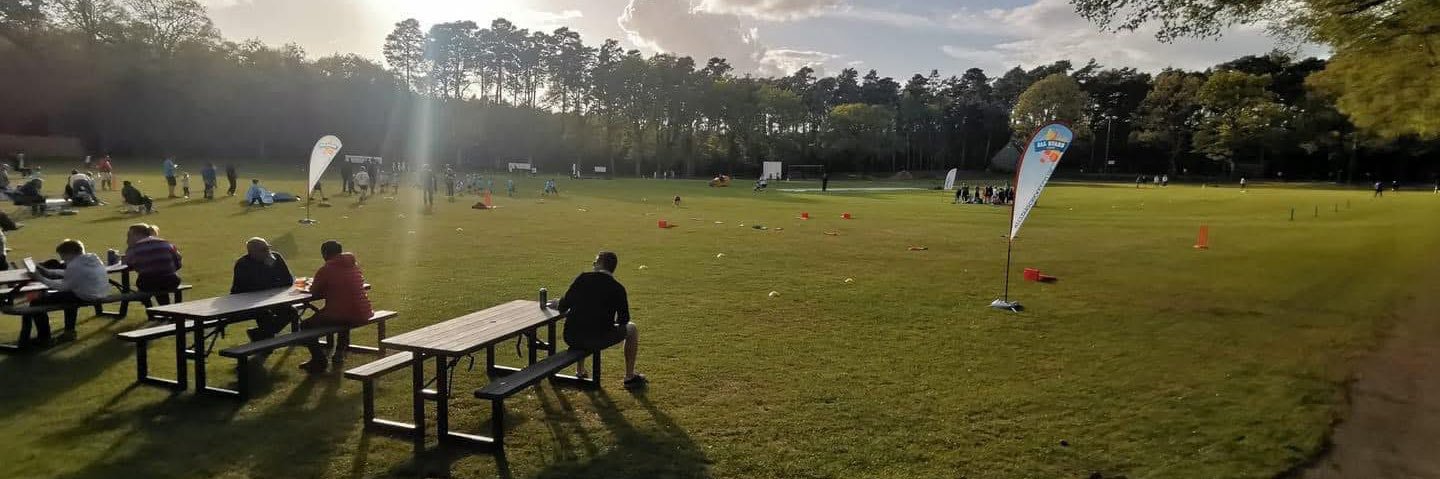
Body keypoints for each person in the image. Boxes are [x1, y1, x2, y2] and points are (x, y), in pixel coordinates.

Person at [554, 251, 646, 388]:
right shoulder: (618, 288)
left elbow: (563, 306)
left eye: (595, 261)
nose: (593, 264)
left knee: (582, 319)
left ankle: (580, 370)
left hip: (572, 336)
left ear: (600, 264)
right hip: (599, 338)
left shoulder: (582, 278)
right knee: (632, 329)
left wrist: (559, 303)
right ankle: (629, 376)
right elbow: (624, 320)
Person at [297, 240, 372, 372]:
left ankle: (319, 360)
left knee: (305, 326)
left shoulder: (326, 269)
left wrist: (304, 286)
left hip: (344, 313)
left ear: (325, 253)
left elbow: (314, 291)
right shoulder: (352, 265)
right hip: (363, 310)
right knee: (342, 314)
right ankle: (339, 352)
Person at [24, 240, 110, 346]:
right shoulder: (91, 259)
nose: (62, 260)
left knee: (36, 302)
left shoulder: (75, 265)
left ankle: (44, 338)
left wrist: (40, 278)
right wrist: (48, 272)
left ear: (69, 253)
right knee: (69, 298)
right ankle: (69, 332)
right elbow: (70, 274)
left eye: (62, 256)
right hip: (100, 292)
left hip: (86, 295)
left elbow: (63, 287)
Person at [231, 238, 299, 346]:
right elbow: (252, 287)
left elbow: (288, 280)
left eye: (268, 248)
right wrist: (269, 272)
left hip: (270, 299)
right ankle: (264, 343)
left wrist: (272, 271)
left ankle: (258, 334)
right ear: (252, 252)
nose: (268, 252)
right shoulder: (243, 264)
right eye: (263, 250)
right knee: (265, 316)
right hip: (246, 303)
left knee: (291, 312)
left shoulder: (275, 257)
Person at [123, 224, 182, 305]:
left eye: (129, 236)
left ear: (137, 235)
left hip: (148, 284)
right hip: (172, 282)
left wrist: (129, 247)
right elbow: (178, 263)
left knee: (147, 283)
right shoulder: (166, 243)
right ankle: (166, 310)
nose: (127, 239)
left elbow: (127, 263)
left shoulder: (135, 248)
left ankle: (151, 312)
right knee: (159, 282)